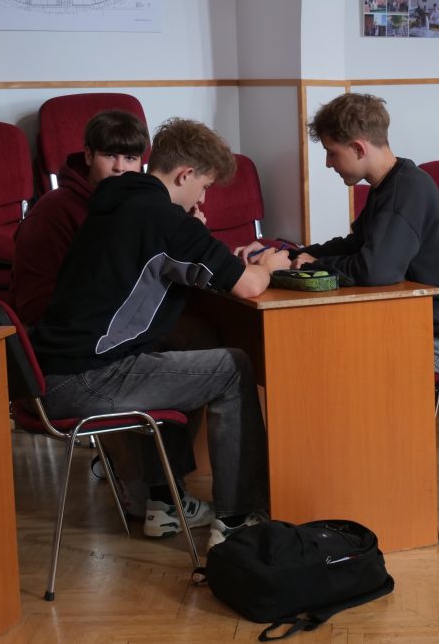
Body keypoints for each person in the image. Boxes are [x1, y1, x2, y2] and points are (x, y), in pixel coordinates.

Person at [29, 118, 293, 550]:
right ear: (185, 174)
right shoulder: (164, 219)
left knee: (174, 348)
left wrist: (193, 232)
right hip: (86, 378)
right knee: (233, 367)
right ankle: (237, 518)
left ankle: (164, 504)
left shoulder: (114, 203)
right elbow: (247, 285)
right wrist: (269, 265)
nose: (202, 197)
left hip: (47, 374)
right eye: (204, 186)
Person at [242, 92, 439, 374]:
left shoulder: (406, 190)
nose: (328, 163)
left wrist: (313, 265)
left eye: (332, 152)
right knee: (322, 356)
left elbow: (377, 270)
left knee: (345, 369)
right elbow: (354, 245)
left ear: (358, 148)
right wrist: (290, 255)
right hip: (409, 326)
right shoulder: (390, 184)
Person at [9, 110, 149, 326]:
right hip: (74, 332)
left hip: (126, 322)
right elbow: (34, 307)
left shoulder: (141, 207)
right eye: (109, 155)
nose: (120, 167)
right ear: (88, 156)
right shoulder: (52, 212)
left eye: (130, 158)